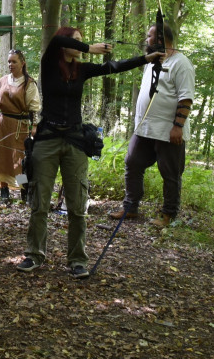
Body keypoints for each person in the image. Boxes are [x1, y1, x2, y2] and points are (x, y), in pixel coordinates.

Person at [16, 27, 162, 279]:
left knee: (77, 204)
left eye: (82, 42)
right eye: (76, 41)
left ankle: (77, 260)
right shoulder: (49, 62)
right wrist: (90, 48)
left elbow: (114, 67)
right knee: (39, 201)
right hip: (47, 140)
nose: (81, 45)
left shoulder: (81, 70)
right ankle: (34, 254)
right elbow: (56, 39)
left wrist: (146, 59)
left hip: (74, 141)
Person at [109, 22, 195, 228]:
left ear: (160, 40)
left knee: (171, 173)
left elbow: (186, 99)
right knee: (132, 162)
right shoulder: (152, 61)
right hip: (145, 128)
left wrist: (178, 127)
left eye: (149, 37)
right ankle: (130, 207)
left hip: (168, 130)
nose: (146, 40)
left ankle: (168, 215)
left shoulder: (181, 63)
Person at [0, 49, 41, 202]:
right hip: (2, 125)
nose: (11, 64)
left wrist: (34, 126)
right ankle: (4, 191)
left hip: (19, 127)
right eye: (9, 61)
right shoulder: (3, 80)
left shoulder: (29, 83)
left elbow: (34, 107)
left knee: (19, 161)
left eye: (14, 61)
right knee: (1, 158)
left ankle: (23, 189)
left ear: (23, 63)